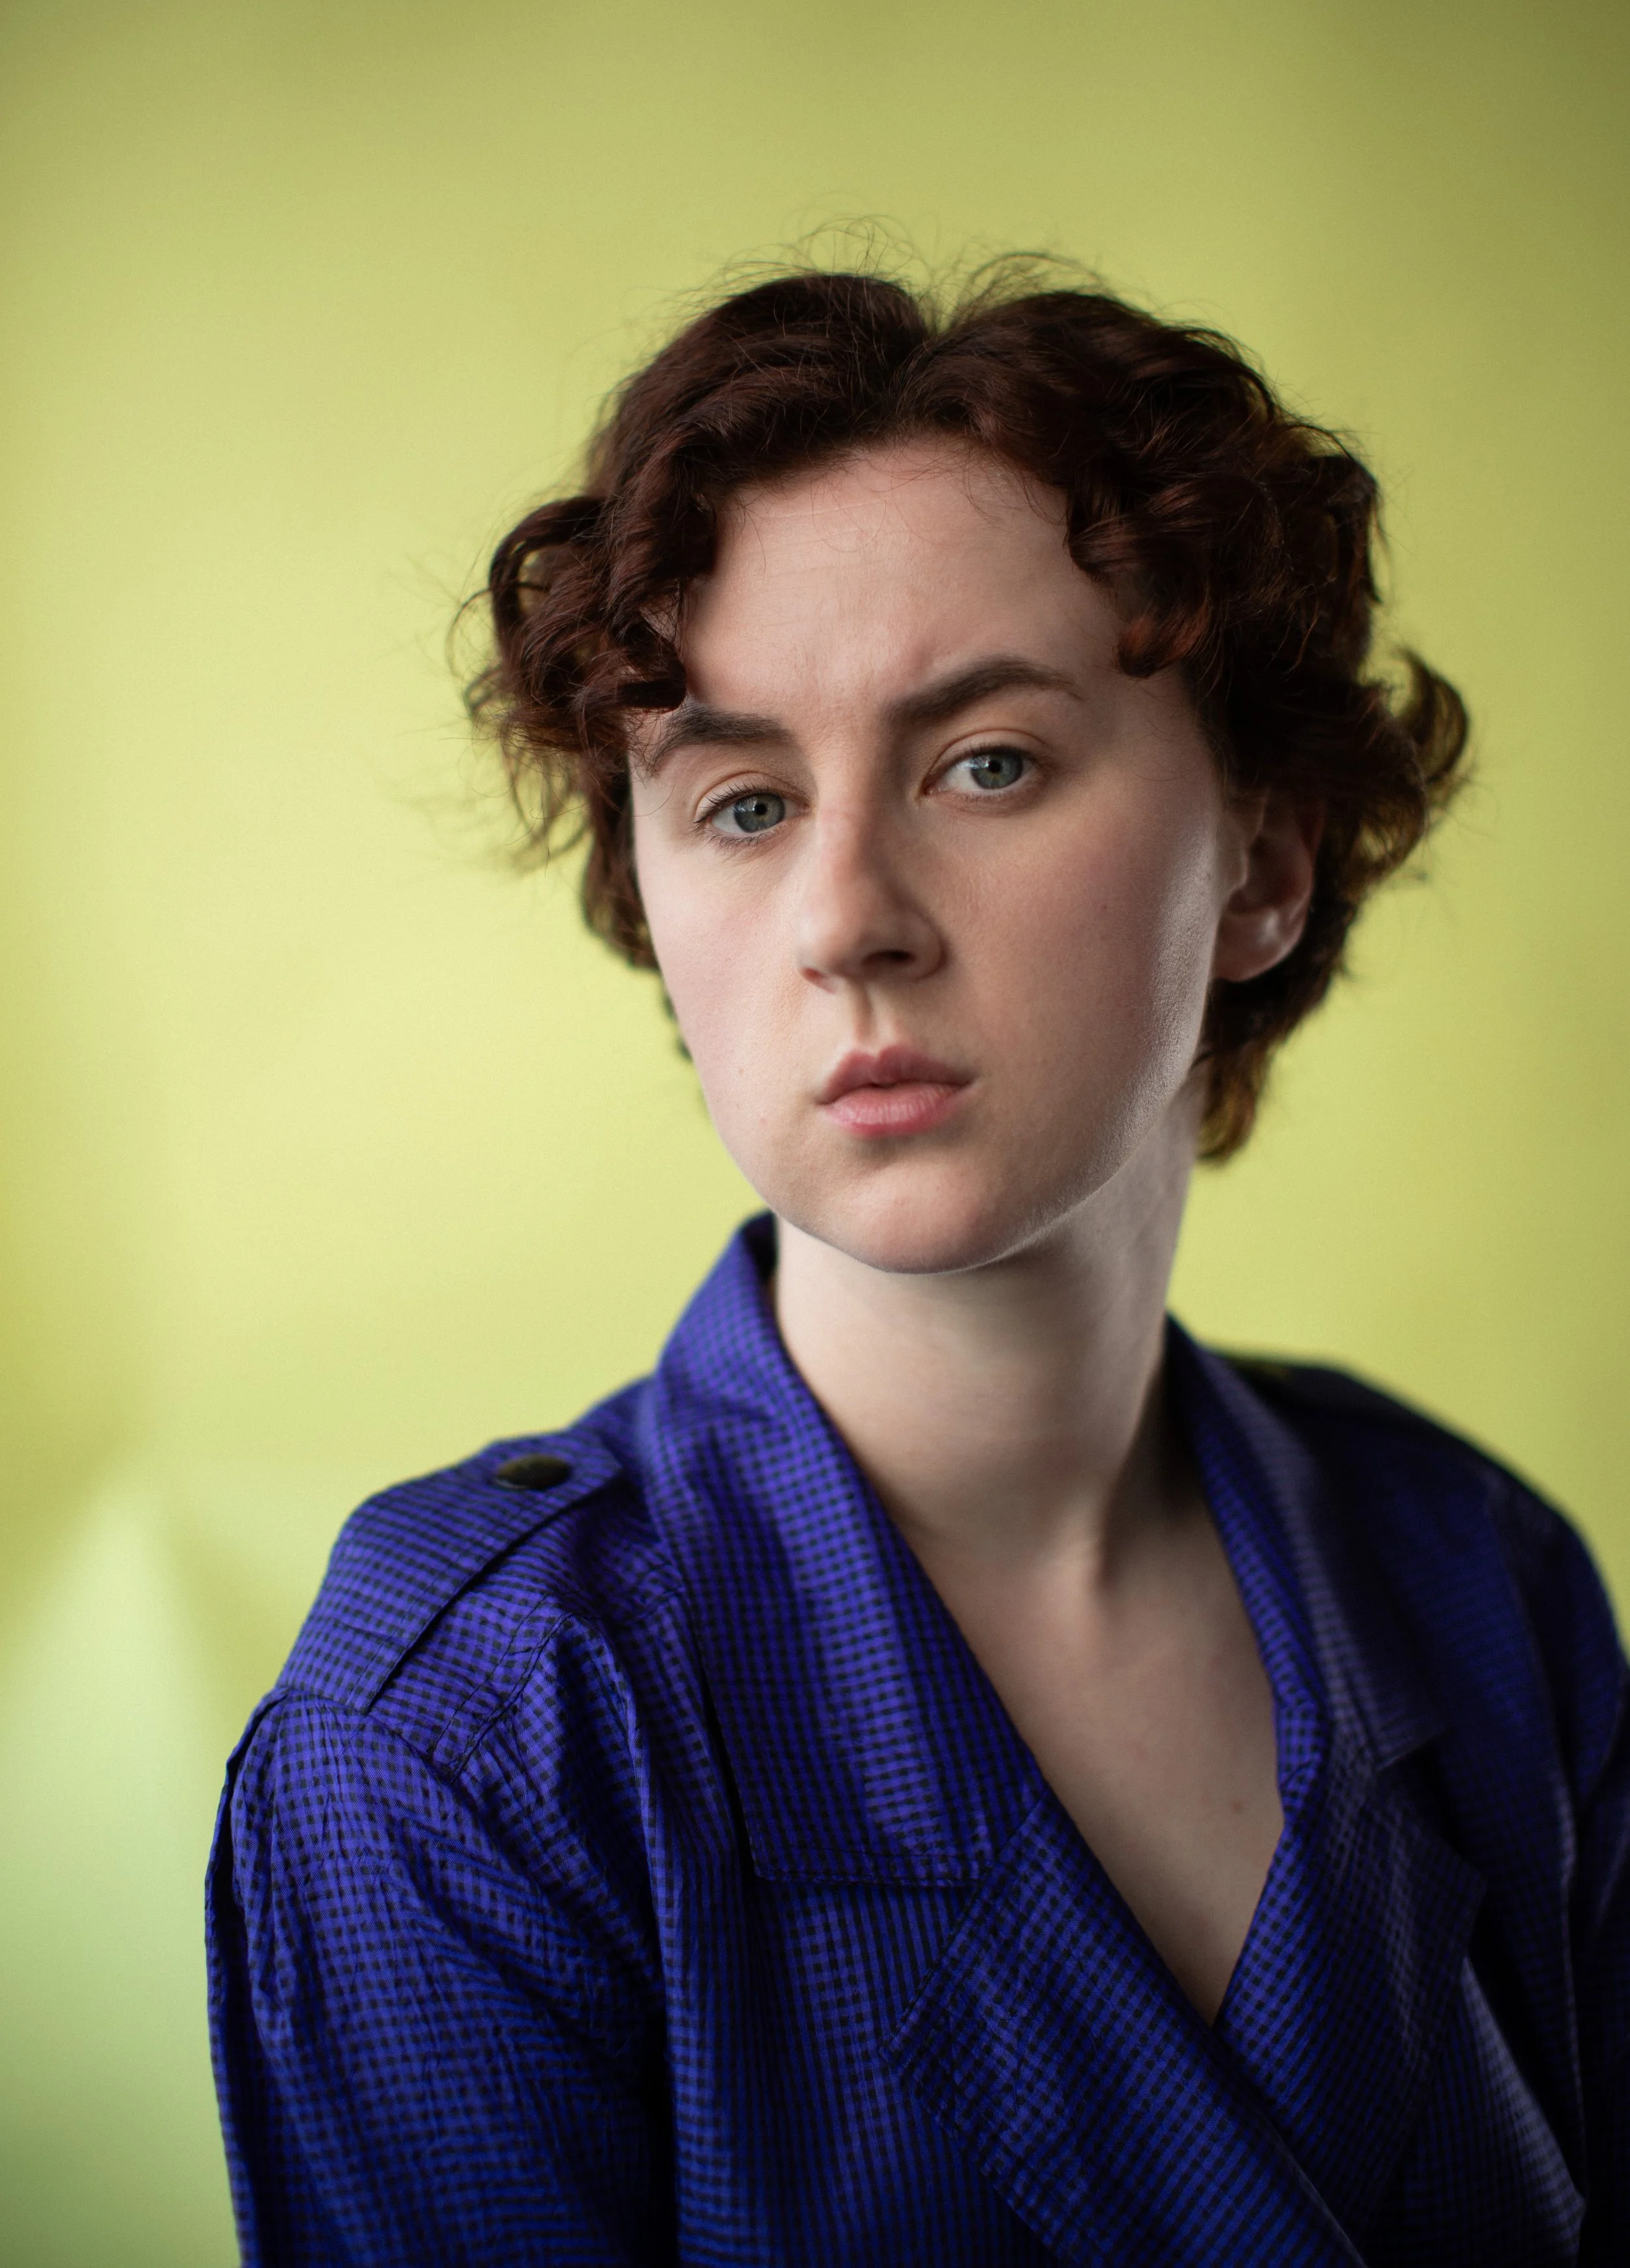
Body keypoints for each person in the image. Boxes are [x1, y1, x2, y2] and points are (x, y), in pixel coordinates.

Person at [205, 264, 1628, 2265]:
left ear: (1267, 857)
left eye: (987, 764)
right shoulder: (466, 1735)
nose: (844, 916)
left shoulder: (1484, 1578)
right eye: (744, 802)